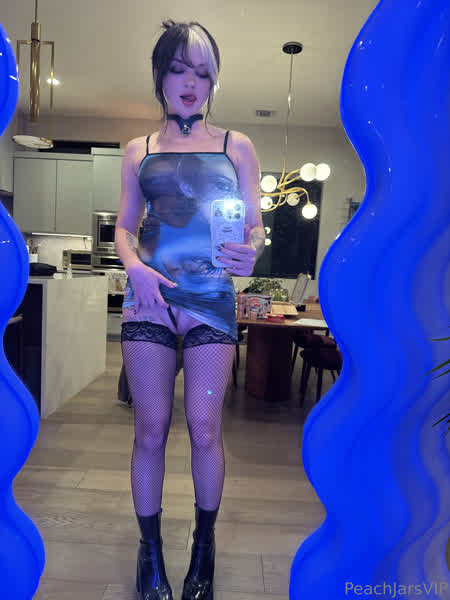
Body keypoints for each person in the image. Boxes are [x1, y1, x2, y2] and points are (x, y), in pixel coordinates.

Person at [114, 19, 265, 600]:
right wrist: (133, 267)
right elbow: (125, 227)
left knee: (205, 427)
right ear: (159, 75)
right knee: (150, 429)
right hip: (149, 298)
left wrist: (255, 247)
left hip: (211, 299)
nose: (189, 83)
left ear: (212, 82)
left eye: (201, 73)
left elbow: (254, 223)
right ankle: (148, 552)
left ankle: (204, 547)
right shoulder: (139, 150)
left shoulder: (236, 146)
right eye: (178, 69)